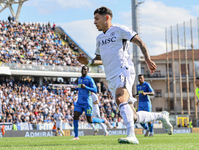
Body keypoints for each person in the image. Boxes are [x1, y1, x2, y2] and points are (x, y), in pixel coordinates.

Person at [77, 6, 173, 144]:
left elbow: (139, 41)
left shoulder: (120, 30)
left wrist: (147, 58)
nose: (94, 22)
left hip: (124, 70)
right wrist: (87, 62)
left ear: (107, 18)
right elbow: (99, 60)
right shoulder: (99, 39)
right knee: (132, 115)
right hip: (111, 77)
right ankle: (161, 116)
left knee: (120, 98)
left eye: (97, 18)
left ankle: (131, 136)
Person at [72, 66, 111, 140]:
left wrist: (86, 87)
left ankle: (103, 120)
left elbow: (95, 90)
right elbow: (80, 88)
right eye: (83, 69)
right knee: (75, 116)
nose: (84, 70)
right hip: (79, 102)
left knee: (89, 120)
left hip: (87, 103)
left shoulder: (90, 79)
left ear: (87, 71)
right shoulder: (79, 79)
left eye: (85, 70)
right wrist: (75, 89)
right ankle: (76, 136)